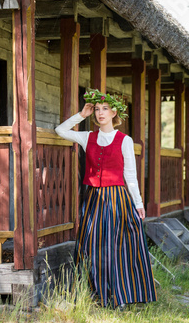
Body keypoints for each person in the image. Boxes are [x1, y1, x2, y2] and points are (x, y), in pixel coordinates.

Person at [55, 89, 157, 308]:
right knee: (90, 245)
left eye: (105, 109)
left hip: (117, 199)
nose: (100, 113)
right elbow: (60, 130)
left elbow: (130, 175)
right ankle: (95, 293)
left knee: (116, 246)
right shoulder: (87, 137)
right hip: (93, 198)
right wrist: (81, 114)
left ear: (114, 113)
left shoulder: (124, 140)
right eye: (97, 110)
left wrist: (138, 204)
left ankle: (120, 295)